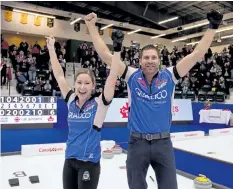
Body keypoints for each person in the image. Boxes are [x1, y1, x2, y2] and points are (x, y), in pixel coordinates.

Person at [84, 10, 223, 189]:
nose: (150, 61)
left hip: (163, 144)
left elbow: (196, 55)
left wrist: (213, 27)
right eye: (146, 58)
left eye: (154, 58)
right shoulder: (131, 76)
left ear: (159, 60)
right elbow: (105, 55)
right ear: (140, 61)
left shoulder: (170, 75)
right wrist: (91, 27)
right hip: (137, 143)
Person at [46, 31, 124, 189]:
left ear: (93, 86)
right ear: (74, 84)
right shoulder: (70, 101)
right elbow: (59, 75)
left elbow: (113, 75)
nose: (82, 87)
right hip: (69, 161)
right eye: (79, 82)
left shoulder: (99, 104)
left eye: (87, 83)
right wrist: (52, 50)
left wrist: (117, 49)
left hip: (89, 163)